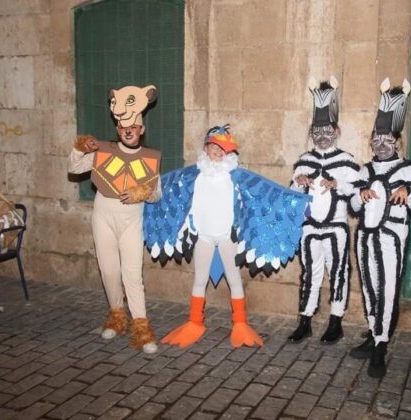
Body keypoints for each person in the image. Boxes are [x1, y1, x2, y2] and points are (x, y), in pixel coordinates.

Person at [143, 124, 310, 348]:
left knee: (234, 278)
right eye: (215, 146)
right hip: (203, 235)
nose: (220, 151)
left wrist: (298, 199)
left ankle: (240, 323)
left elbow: (267, 192)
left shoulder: (237, 177)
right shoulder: (192, 175)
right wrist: (140, 189)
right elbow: (167, 187)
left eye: (224, 148)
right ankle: (195, 322)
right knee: (199, 279)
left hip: (226, 237)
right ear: (206, 147)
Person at [68, 85, 161, 354]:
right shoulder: (102, 151)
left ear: (141, 130)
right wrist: (79, 149)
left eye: (133, 127)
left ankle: (142, 329)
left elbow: (156, 195)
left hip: (131, 220)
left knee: (132, 274)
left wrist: (143, 191)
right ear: (118, 129)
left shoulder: (151, 157)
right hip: (103, 215)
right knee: (108, 270)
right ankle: (117, 317)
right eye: (123, 128)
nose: (128, 131)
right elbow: (73, 169)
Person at [349, 78, 411, 378]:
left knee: (388, 289)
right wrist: (360, 194)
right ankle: (373, 333)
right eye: (376, 139)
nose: (381, 144)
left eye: (387, 139)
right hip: (366, 239)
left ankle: (381, 345)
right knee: (369, 286)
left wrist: (408, 192)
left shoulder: (408, 169)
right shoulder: (364, 170)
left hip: (391, 240)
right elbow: (353, 206)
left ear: (397, 140)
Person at [288, 76, 361, 345]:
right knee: (309, 272)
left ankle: (336, 321)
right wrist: (298, 182)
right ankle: (305, 320)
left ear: (336, 131)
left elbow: (357, 194)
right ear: (311, 132)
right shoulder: (303, 161)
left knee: (338, 271)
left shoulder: (347, 161)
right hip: (309, 229)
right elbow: (292, 196)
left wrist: (338, 183)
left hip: (335, 228)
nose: (321, 136)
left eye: (326, 130)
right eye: (316, 131)